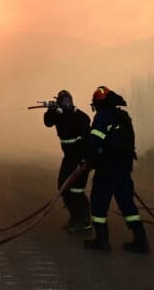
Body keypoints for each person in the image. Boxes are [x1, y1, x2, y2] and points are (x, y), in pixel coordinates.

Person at [83, 85, 150, 253]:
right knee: (128, 205)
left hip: (107, 169)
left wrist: (88, 160)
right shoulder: (123, 117)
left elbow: (94, 143)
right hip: (124, 169)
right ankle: (141, 241)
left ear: (99, 103)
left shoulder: (102, 117)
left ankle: (102, 241)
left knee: (98, 204)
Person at [43, 89, 92, 234]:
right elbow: (48, 122)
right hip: (69, 157)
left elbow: (87, 124)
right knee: (63, 186)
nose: (66, 103)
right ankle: (75, 218)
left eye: (68, 100)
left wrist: (84, 160)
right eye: (63, 101)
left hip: (80, 158)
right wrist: (51, 109)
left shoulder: (78, 115)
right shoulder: (58, 114)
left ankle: (83, 223)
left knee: (76, 190)